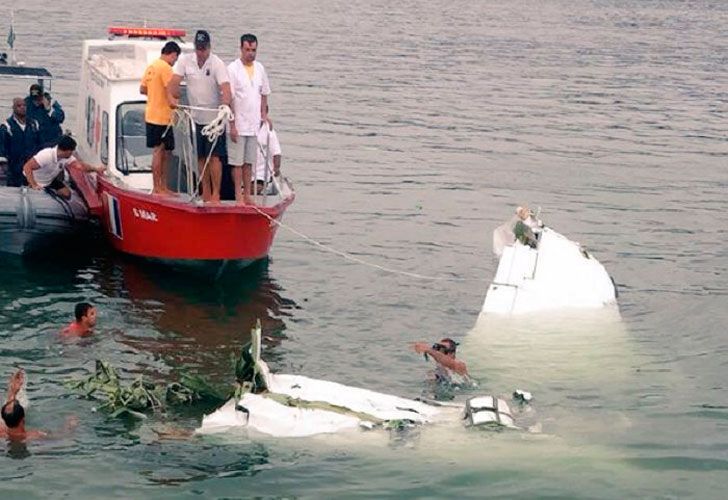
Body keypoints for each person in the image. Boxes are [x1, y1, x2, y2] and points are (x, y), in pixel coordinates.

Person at [168, 30, 232, 203]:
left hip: (214, 119)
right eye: (198, 48)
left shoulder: (217, 63)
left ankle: (216, 193)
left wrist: (225, 105)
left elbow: (226, 88)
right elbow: (174, 82)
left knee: (215, 158)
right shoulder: (185, 61)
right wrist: (173, 97)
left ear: (209, 47)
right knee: (200, 157)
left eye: (204, 48)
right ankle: (206, 190)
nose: (201, 52)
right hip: (195, 117)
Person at [227, 33, 271, 205]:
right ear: (241, 49)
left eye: (253, 50)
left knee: (249, 162)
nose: (251, 53)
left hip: (253, 125)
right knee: (237, 163)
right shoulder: (233, 69)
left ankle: (247, 194)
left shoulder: (260, 68)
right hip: (238, 123)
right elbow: (229, 98)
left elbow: (264, 93)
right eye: (247, 50)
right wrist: (232, 124)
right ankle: (238, 195)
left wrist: (264, 115)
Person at [140, 41, 181, 196]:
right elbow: (170, 93)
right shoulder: (166, 68)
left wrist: (155, 94)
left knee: (164, 152)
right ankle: (159, 187)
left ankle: (162, 186)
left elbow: (142, 89)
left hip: (151, 114)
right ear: (172, 54)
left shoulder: (151, 66)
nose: (174, 62)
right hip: (162, 117)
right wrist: (176, 103)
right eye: (175, 59)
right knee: (160, 151)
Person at [1, 368, 77, 441]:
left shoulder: (1, 432)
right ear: (23, 418)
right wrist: (70, 426)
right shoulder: (35, 435)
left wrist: (13, 392)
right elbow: (63, 436)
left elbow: (8, 412)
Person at [23, 134, 105, 199]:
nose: (72, 153)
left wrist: (96, 169)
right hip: (33, 180)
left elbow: (80, 166)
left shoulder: (67, 158)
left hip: (48, 180)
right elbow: (27, 167)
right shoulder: (46, 155)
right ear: (66, 150)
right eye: (71, 151)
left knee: (67, 194)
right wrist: (33, 184)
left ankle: (52, 196)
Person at [0, 97, 41, 186]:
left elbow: (39, 144)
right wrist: (4, 165)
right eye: (19, 106)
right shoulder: (7, 126)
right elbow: (2, 148)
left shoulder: (34, 124)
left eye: (24, 105)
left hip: (31, 165)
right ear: (14, 108)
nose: (22, 107)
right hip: (14, 167)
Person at [253, 109, 282, 194]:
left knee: (256, 188)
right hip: (245, 168)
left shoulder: (268, 129)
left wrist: (276, 168)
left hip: (261, 172)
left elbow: (276, 151)